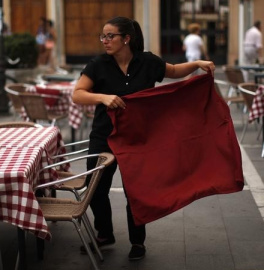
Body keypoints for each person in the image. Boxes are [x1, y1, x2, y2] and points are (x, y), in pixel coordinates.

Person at [72, 16, 215, 261]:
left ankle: (138, 241)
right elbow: (78, 94)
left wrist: (196, 63)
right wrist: (103, 98)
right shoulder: (98, 64)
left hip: (138, 139)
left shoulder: (147, 62)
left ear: (126, 39)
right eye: (103, 36)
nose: (104, 41)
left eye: (110, 36)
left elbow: (172, 71)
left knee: (136, 192)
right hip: (103, 137)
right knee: (96, 189)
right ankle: (104, 233)